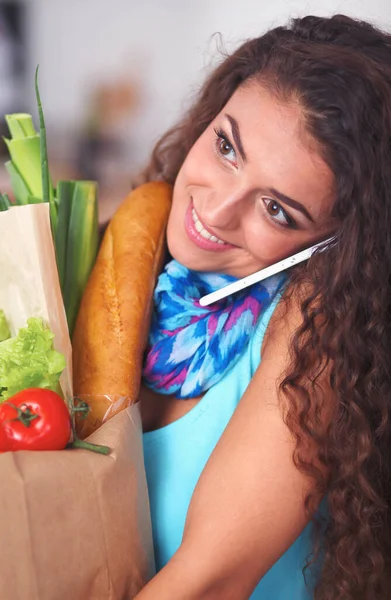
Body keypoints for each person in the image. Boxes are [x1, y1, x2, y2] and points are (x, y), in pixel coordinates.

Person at [134, 14, 391, 600]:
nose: (217, 212)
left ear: (340, 246)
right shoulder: (141, 259)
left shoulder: (319, 332)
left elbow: (208, 583)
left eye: (277, 209)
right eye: (227, 147)